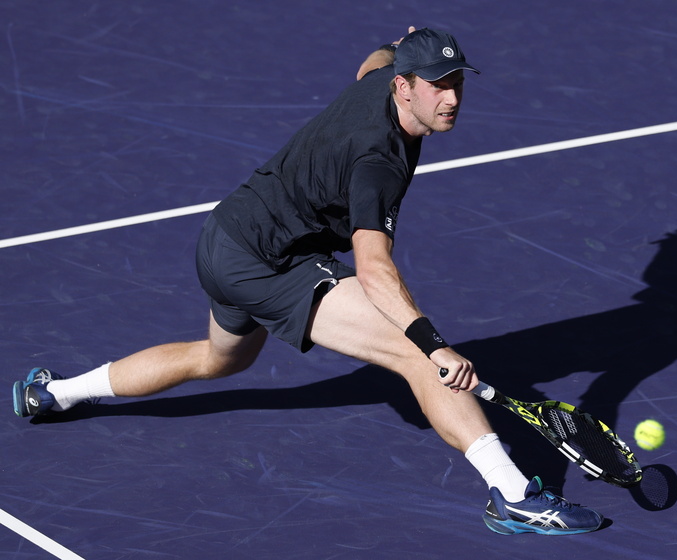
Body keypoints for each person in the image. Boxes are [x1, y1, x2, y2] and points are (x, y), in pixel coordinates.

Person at [12, 27, 603, 535]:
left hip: (224, 239)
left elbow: (373, 58)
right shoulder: (378, 162)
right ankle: (517, 499)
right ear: (405, 87)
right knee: (418, 358)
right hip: (269, 264)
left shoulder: (380, 79)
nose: (451, 99)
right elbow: (373, 267)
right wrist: (432, 342)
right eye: (437, 86)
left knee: (218, 360)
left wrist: (401, 44)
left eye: (457, 83)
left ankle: (55, 393)